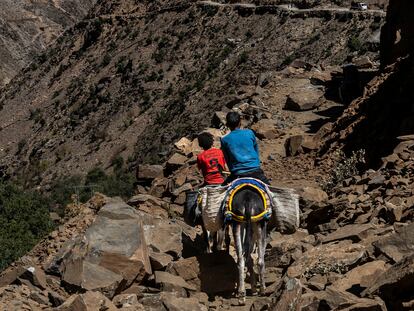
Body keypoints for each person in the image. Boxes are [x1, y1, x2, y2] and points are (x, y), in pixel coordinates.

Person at [221, 111, 270, 185]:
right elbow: (256, 151)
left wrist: (233, 171)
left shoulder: (224, 140)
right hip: (255, 170)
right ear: (240, 123)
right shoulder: (249, 133)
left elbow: (228, 160)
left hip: (237, 173)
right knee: (271, 192)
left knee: (222, 193)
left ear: (227, 124)